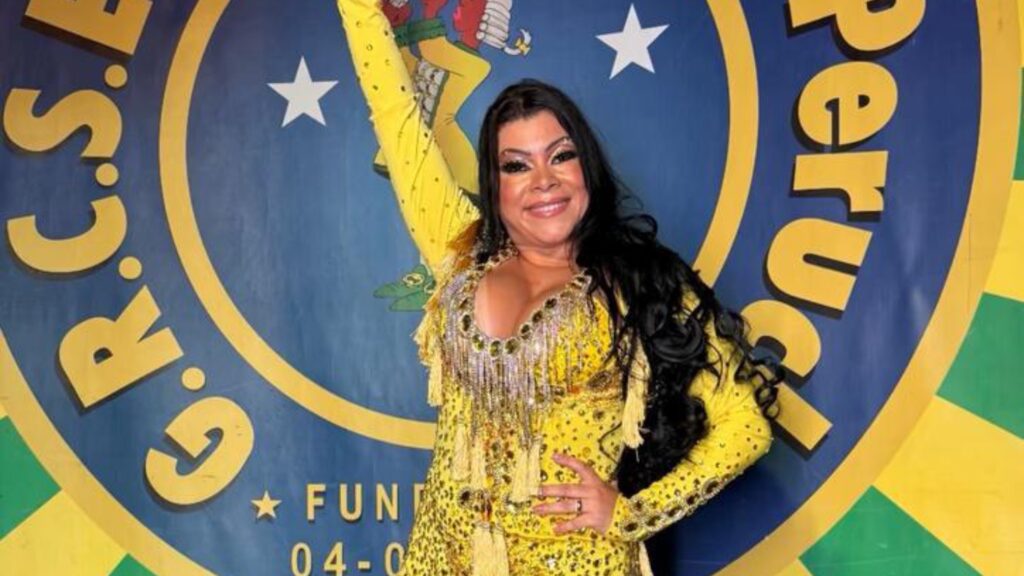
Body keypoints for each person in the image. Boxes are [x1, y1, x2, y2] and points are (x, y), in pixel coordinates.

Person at [335, 1, 782, 574]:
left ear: (586, 167)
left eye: (561, 156)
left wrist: (631, 514)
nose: (543, 181)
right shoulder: (458, 253)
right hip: (441, 558)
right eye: (516, 166)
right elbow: (396, 119)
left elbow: (744, 426)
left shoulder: (640, 285)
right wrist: (359, 11)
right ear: (493, 183)